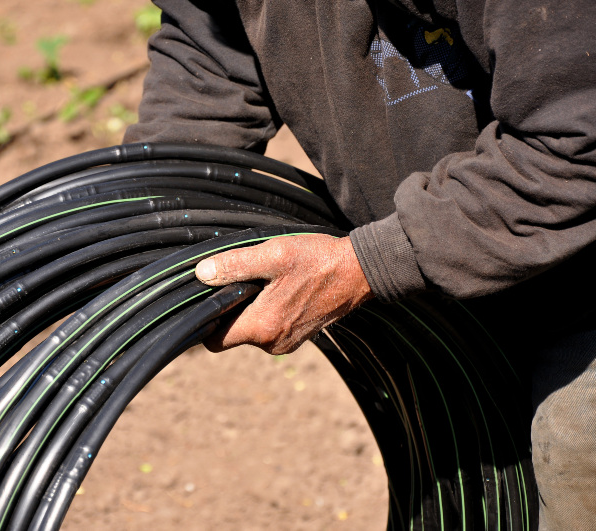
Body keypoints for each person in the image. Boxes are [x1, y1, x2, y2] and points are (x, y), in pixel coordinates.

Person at [123, 1, 596, 529]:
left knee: (579, 473)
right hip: (443, 299)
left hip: (582, 281)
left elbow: (580, 145)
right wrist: (158, 222)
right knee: (461, 501)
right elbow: (210, 48)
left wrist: (370, 264)